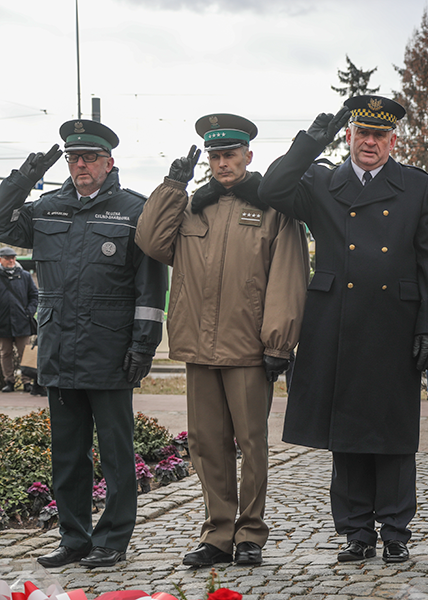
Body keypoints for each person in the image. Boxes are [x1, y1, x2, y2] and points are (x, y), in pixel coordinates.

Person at [258, 95, 428, 564]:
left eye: (380, 136)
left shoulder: (415, 186)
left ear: (392, 141)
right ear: (349, 136)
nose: (370, 143)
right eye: (363, 133)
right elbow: (272, 188)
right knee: (348, 437)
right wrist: (310, 141)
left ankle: (396, 531)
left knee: (394, 435)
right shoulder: (322, 180)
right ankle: (357, 531)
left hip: (395, 325)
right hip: (336, 321)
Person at [135, 114, 307, 567]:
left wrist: (278, 342)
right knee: (207, 444)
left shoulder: (274, 208)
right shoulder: (192, 206)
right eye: (214, 156)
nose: (221, 162)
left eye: (229, 154)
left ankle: (249, 533)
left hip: (249, 348)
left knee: (251, 446)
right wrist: (174, 186)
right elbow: (150, 241)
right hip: (198, 346)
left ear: (249, 156)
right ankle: (217, 533)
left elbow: (288, 277)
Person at [0, 120, 167, 568]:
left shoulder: (135, 210)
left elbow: (151, 287)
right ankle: (73, 537)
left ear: (110, 162)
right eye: (74, 158)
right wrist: (27, 174)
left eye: (90, 157)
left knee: (115, 453)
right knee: (67, 453)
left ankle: (112, 539)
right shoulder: (47, 208)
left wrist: (143, 346)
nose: (81, 165)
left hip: (111, 350)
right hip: (59, 347)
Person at [0, 247, 38, 392]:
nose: (11, 260)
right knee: (5, 353)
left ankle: (27, 382)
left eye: (13, 258)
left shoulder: (25, 276)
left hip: (22, 321)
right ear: (0, 259)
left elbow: (34, 296)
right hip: (3, 323)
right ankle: (9, 381)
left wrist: (29, 312)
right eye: (8, 258)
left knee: (25, 353)